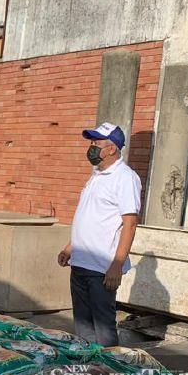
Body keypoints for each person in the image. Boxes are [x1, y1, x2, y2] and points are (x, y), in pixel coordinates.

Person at [58, 122, 141, 347]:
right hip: (81, 262)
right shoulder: (96, 175)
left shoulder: (125, 178)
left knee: (103, 329)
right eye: (91, 142)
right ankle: (88, 372)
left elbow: (130, 223)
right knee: (83, 327)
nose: (92, 147)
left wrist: (117, 264)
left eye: (97, 143)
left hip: (102, 268)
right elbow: (89, 217)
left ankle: (111, 374)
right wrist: (70, 246)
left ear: (112, 148)